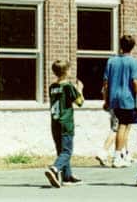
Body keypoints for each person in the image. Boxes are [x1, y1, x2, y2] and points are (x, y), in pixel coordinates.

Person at [102, 34, 137, 168]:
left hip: (114, 97)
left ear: (120, 45)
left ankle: (123, 155)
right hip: (128, 98)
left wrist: (106, 100)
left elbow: (106, 83)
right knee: (123, 126)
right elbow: (136, 82)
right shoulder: (134, 62)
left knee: (122, 126)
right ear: (133, 47)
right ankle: (117, 156)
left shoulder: (111, 61)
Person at [44, 60, 84, 188]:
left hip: (54, 122)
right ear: (66, 71)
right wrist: (80, 89)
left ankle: (67, 177)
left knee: (61, 151)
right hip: (66, 122)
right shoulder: (68, 86)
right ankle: (54, 169)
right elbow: (79, 102)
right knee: (67, 151)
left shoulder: (52, 87)